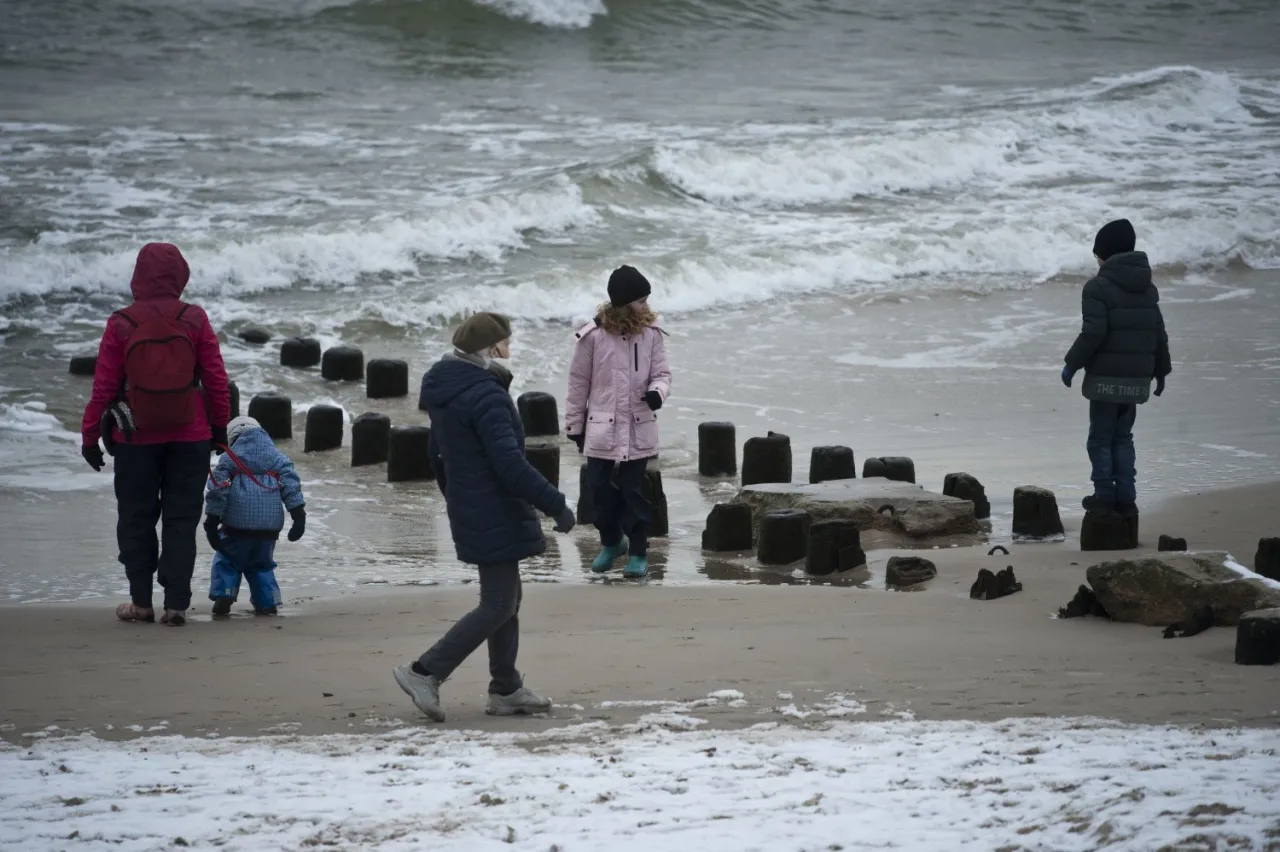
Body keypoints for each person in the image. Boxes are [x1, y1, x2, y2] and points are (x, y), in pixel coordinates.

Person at [394, 312, 577, 723]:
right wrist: (556, 505)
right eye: (506, 341)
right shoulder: (486, 395)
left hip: (473, 504)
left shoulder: (447, 388)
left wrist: (458, 497)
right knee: (497, 604)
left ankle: (506, 689)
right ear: (491, 348)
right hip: (492, 506)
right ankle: (424, 672)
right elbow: (510, 466)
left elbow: (434, 455)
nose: (510, 347)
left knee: (508, 600)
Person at [80, 243, 231, 626]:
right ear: (180, 274)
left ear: (138, 276)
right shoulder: (194, 318)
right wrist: (219, 429)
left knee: (135, 517)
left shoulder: (121, 322)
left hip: (134, 436)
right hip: (191, 434)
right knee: (181, 519)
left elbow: (104, 386)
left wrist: (89, 436)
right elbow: (216, 379)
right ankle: (177, 604)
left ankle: (141, 604)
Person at [564, 265, 672, 578]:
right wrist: (574, 425)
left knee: (633, 493)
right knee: (598, 491)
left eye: (647, 299)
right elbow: (577, 383)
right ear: (623, 303)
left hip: (639, 426)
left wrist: (657, 393)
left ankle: (638, 551)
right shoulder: (592, 336)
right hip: (601, 429)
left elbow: (662, 375)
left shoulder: (651, 336)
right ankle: (612, 542)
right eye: (641, 300)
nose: (646, 307)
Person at [1062, 219, 1171, 515]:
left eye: (1097, 253)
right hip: (1136, 381)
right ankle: (1126, 497)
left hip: (1105, 382)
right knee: (1123, 437)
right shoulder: (1147, 289)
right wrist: (1161, 371)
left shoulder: (1097, 288)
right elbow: (1158, 333)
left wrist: (1071, 364)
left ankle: (1104, 496)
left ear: (1106, 254)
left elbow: (1093, 333)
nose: (1096, 259)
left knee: (1100, 439)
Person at [203, 416, 306, 617]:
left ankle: (224, 594)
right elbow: (291, 487)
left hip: (236, 527)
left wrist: (212, 520)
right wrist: (298, 515)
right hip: (268, 530)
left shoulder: (229, 460)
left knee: (227, 560)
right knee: (262, 565)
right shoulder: (279, 459)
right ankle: (267, 603)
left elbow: (218, 490)